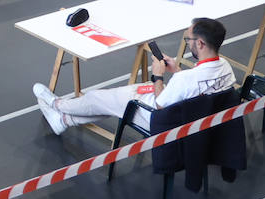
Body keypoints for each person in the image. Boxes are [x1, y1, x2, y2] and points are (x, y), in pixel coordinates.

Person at [34, 17, 234, 135]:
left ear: (200, 43)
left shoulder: (185, 80)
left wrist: (158, 77)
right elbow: (198, 86)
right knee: (112, 102)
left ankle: (57, 105)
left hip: (167, 123)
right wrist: (177, 71)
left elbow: (160, 106)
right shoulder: (225, 67)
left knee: (98, 98)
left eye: (189, 39)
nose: (187, 42)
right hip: (201, 121)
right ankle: (64, 120)